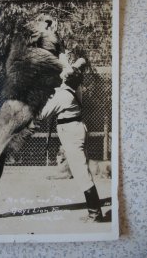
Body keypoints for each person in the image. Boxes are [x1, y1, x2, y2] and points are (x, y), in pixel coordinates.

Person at [41, 56, 103, 222]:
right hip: (76, 129)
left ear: (66, 79)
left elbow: (43, 114)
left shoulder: (62, 96)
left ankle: (95, 214)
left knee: (81, 172)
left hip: (71, 132)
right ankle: (94, 211)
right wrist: (75, 64)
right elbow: (78, 65)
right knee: (81, 169)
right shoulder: (76, 88)